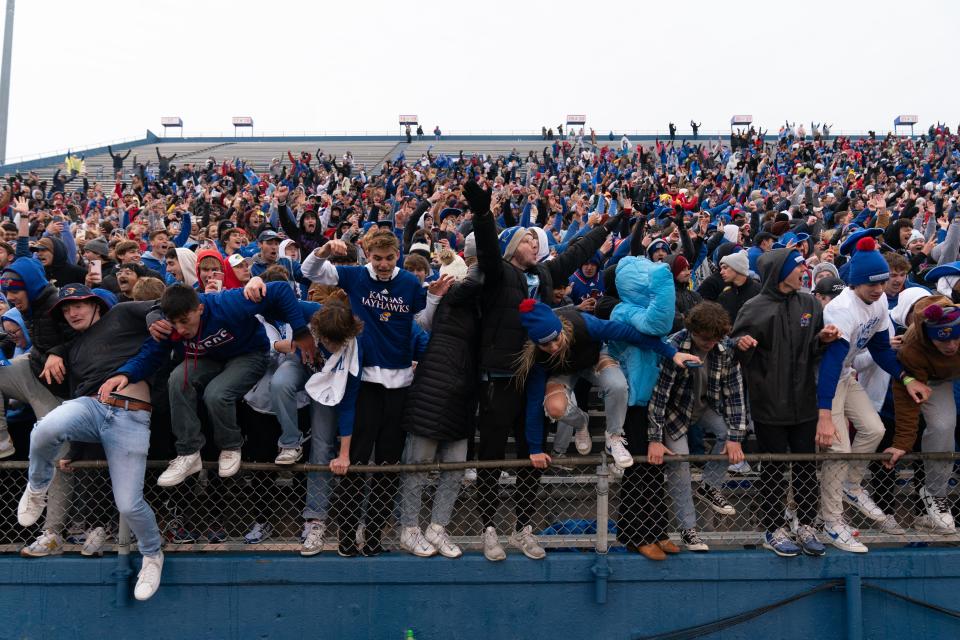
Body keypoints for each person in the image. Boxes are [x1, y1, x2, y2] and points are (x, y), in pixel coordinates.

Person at [463, 179, 616, 561]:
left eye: (537, 240)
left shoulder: (546, 276)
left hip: (535, 373)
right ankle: (489, 528)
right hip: (499, 375)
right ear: (514, 247)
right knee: (494, 454)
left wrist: (605, 226)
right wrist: (483, 215)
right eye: (529, 240)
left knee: (538, 452)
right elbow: (485, 246)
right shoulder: (498, 273)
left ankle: (523, 527)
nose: (536, 243)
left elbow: (576, 250)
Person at [298, 228, 441, 556]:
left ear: (398, 255)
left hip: (401, 381)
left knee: (388, 464)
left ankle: (374, 533)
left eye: (390, 258)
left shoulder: (408, 283)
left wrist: (434, 296)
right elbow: (309, 271)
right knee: (356, 460)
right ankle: (347, 534)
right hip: (366, 381)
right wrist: (324, 249)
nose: (384, 264)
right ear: (367, 255)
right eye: (377, 258)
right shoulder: (356, 275)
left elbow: (425, 321)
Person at [16, 285, 164, 600]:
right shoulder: (72, 348)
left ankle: (153, 556)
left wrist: (154, 319)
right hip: (91, 407)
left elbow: (160, 305)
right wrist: (75, 451)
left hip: (131, 416)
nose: (72, 312)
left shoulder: (122, 314)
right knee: (44, 429)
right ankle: (37, 488)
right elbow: (76, 394)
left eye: (79, 305)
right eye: (66, 309)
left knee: (129, 503)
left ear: (96, 304)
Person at [101, 282, 316, 486]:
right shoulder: (170, 325)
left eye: (185, 321)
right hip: (209, 358)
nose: (181, 329)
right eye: (175, 322)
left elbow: (279, 289)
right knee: (177, 379)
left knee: (216, 393)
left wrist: (300, 331)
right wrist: (126, 374)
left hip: (249, 354)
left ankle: (231, 446)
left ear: (200, 309)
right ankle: (188, 452)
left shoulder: (225, 304)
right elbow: (150, 354)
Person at [816, 237, 930, 552]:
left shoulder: (879, 302)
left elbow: (880, 349)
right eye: (872, 284)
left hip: (846, 373)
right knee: (838, 449)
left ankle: (853, 486)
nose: (879, 289)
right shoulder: (842, 309)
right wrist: (824, 415)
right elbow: (829, 364)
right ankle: (832, 522)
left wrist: (907, 379)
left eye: (882, 282)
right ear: (855, 283)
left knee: (874, 429)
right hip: (826, 379)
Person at [732, 248, 838, 557]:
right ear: (780, 272)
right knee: (773, 468)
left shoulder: (808, 303)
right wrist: (743, 345)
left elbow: (814, 349)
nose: (803, 270)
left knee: (806, 466)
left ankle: (805, 524)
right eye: (797, 267)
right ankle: (773, 528)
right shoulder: (753, 308)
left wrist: (823, 339)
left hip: (804, 399)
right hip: (769, 403)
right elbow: (734, 353)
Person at [648, 302, 755, 553]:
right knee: (680, 465)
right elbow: (660, 396)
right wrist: (654, 437)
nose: (709, 343)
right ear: (693, 330)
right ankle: (688, 529)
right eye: (705, 338)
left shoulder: (724, 348)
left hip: (704, 405)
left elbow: (736, 394)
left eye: (716, 338)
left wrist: (736, 439)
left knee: (731, 434)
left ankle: (710, 486)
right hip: (675, 412)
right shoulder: (674, 346)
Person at [883, 296, 959, 533]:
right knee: (943, 425)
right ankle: (935, 493)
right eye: (942, 341)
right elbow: (907, 398)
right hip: (930, 380)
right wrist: (902, 443)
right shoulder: (913, 346)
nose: (951, 346)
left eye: (957, 338)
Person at [717, 250, 760, 323]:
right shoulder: (724, 296)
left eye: (725, 268)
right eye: (721, 268)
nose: (721, 272)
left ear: (738, 268)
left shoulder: (759, 292)